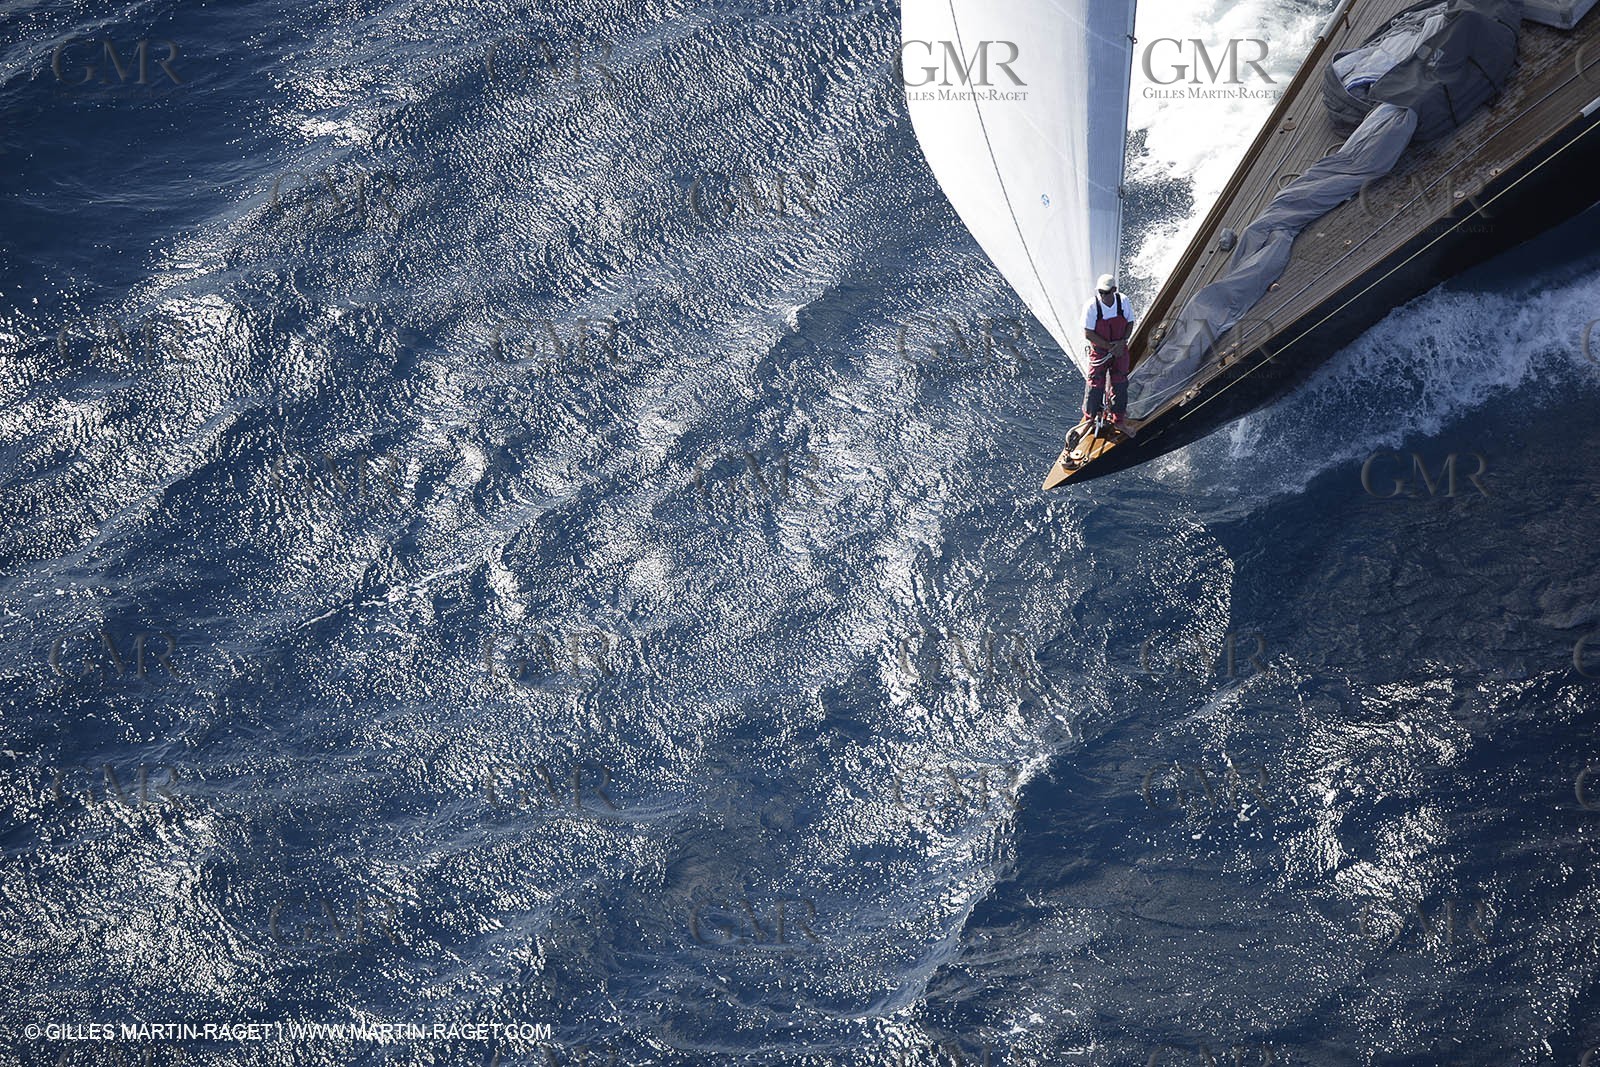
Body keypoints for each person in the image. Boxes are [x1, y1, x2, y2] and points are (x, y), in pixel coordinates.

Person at [1082, 273, 1136, 427]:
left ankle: (1118, 417)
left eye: (1106, 292)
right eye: (1101, 292)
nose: (1103, 295)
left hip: (1119, 349)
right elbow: (1089, 333)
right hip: (1101, 351)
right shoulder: (1091, 307)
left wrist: (1122, 342)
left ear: (1114, 289)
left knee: (1120, 382)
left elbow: (1130, 323)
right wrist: (1110, 348)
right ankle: (1090, 418)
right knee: (1095, 382)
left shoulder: (1123, 301)